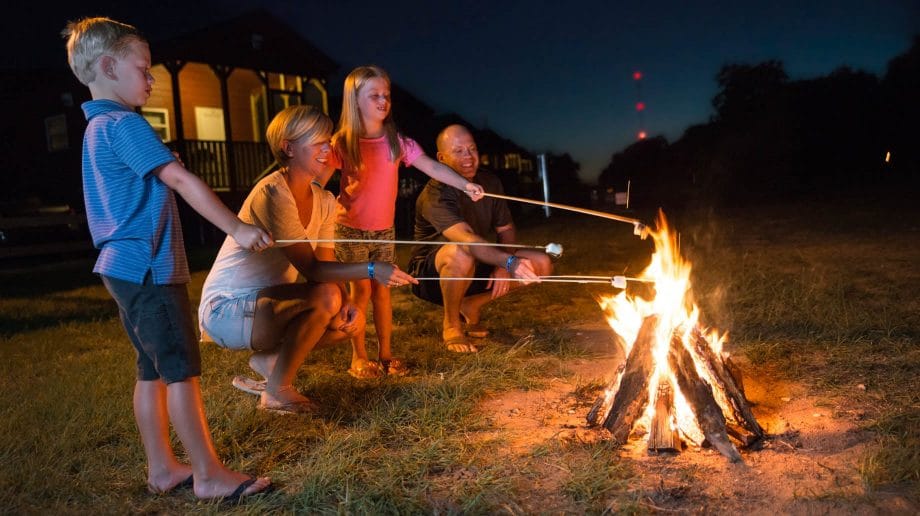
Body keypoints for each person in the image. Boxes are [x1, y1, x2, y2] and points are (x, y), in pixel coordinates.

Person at [62, 17, 272, 501]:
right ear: (109, 66)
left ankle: (161, 468)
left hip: (120, 268)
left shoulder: (98, 128)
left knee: (151, 368)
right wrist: (237, 228)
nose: (151, 78)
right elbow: (179, 180)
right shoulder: (125, 123)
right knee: (180, 369)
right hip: (148, 268)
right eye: (143, 68)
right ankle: (209, 475)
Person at [199, 105, 418, 410]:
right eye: (317, 142)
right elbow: (312, 267)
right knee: (328, 298)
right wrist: (370, 269)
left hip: (267, 305)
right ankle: (276, 392)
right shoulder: (273, 193)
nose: (327, 150)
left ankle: (271, 361)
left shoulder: (325, 201)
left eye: (328, 141)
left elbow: (324, 263)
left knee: (345, 321)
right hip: (227, 309)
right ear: (288, 148)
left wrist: (348, 304)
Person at [330, 65, 484, 375]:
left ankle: (386, 354)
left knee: (382, 291)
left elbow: (432, 166)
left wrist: (465, 184)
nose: (383, 101)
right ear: (354, 100)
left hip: (384, 231)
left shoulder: (395, 142)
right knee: (361, 291)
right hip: (350, 230)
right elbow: (317, 175)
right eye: (374, 95)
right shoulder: (343, 142)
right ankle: (359, 356)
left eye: (386, 95)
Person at [407, 125, 553, 352]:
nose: (468, 157)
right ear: (441, 158)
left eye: (472, 149)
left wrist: (505, 264)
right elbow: (465, 239)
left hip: (475, 261)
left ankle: (471, 304)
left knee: (541, 263)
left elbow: (506, 228)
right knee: (460, 252)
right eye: (458, 151)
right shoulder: (434, 194)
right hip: (432, 276)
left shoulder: (489, 182)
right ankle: (452, 324)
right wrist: (506, 261)